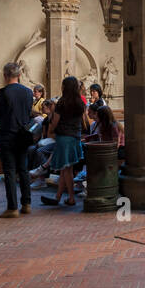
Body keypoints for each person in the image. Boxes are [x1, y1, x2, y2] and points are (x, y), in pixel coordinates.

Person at [0, 62, 35, 218]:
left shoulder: (1, 94)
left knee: (10, 171)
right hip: (23, 134)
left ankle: (12, 208)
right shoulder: (28, 92)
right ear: (19, 75)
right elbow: (29, 113)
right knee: (23, 169)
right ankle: (27, 204)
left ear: (5, 76)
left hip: (7, 135)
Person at [41, 76, 85, 207]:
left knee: (66, 169)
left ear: (65, 87)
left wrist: (51, 131)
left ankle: (71, 198)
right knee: (66, 169)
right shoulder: (80, 103)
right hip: (75, 137)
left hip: (64, 137)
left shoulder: (62, 102)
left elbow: (55, 121)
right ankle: (58, 196)